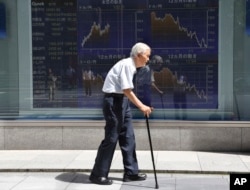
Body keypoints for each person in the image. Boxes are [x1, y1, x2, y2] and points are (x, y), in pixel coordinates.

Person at [89, 42, 153, 185]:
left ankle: (131, 173)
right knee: (111, 138)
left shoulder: (131, 66)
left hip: (122, 101)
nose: (148, 59)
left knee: (128, 136)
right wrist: (142, 106)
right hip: (114, 101)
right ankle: (97, 174)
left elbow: (125, 93)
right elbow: (126, 90)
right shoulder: (127, 65)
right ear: (139, 55)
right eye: (147, 56)